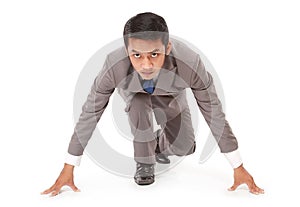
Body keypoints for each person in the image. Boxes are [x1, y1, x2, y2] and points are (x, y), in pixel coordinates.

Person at [42, 12, 264, 196]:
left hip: (171, 95)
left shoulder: (190, 63)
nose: (146, 64)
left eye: (154, 54)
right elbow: (90, 113)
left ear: (167, 48)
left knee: (184, 146)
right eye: (136, 55)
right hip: (134, 94)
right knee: (139, 105)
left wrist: (238, 166)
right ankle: (145, 162)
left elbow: (214, 113)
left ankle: (158, 143)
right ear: (127, 51)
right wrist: (69, 166)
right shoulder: (113, 65)